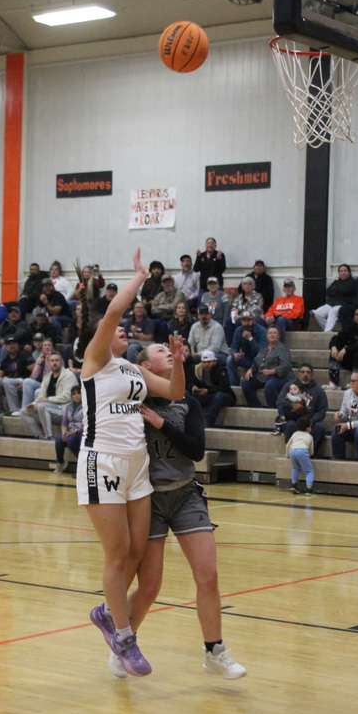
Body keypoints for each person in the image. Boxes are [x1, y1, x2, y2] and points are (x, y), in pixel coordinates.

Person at [77, 247, 185, 678]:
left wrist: (178, 363)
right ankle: (122, 636)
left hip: (136, 466)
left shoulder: (133, 371)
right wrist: (139, 277)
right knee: (118, 555)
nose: (123, 329)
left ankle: (108, 612)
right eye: (118, 328)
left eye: (126, 329)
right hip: (101, 461)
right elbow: (112, 312)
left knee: (137, 553)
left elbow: (175, 393)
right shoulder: (97, 360)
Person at [114, 342, 246, 681]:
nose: (168, 352)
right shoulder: (131, 401)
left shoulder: (186, 402)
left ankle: (214, 650)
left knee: (209, 576)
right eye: (160, 350)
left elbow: (197, 451)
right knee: (150, 586)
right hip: (149, 500)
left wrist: (161, 424)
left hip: (186, 494)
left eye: (169, 349)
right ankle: (123, 643)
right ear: (144, 366)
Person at [272, 363, 328, 451]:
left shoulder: (319, 391)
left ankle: (310, 454)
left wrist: (311, 421)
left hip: (310, 420)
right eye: (302, 372)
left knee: (320, 427)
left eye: (308, 372)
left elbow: (322, 410)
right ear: (298, 374)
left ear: (312, 375)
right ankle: (292, 451)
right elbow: (279, 401)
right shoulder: (289, 386)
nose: (305, 374)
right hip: (293, 419)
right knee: (289, 425)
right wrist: (292, 405)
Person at [22, 350, 78, 437]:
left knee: (42, 407)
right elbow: (41, 396)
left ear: (61, 362)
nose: (54, 363)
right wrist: (33, 404)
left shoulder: (69, 376)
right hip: (49, 408)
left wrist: (48, 400)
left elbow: (67, 396)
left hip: (65, 410)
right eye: (52, 361)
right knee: (23, 411)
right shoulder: (47, 377)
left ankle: (49, 436)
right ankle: (40, 435)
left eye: (57, 360)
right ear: (48, 363)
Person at [240, 324, 293, 408]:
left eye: (275, 333)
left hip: (278, 377)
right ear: (267, 336)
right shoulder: (263, 349)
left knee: (270, 385)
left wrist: (272, 371)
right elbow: (257, 363)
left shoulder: (283, 349)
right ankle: (256, 407)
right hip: (262, 376)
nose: (272, 335)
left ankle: (274, 408)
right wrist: (251, 369)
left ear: (279, 336)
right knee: (245, 382)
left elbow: (286, 365)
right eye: (270, 333)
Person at [188, 348, 235, 427]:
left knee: (220, 396)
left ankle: (208, 421)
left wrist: (208, 391)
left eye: (209, 362)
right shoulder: (198, 370)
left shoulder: (221, 370)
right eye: (204, 362)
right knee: (187, 395)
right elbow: (190, 382)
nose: (206, 364)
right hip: (207, 396)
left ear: (214, 362)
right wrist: (193, 387)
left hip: (221, 396)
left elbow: (225, 387)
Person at [0, 336, 34, 412]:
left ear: (18, 345)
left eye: (14, 344)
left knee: (6, 381)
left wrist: (27, 382)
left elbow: (35, 371)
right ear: (6, 347)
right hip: (10, 381)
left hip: (23, 380)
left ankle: (15, 409)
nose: (12, 346)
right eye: (9, 345)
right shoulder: (5, 360)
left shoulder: (25, 356)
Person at [226, 311, 268, 386]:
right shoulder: (238, 331)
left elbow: (262, 351)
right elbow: (234, 347)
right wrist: (234, 354)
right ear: (241, 322)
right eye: (244, 321)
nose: (247, 323)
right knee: (230, 359)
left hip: (260, 360)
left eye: (249, 320)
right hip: (247, 357)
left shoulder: (262, 331)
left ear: (253, 321)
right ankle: (233, 384)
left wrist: (250, 339)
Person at [311, 265, 356, 331]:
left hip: (343, 304)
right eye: (341, 271)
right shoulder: (336, 282)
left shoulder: (353, 283)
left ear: (349, 272)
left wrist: (337, 291)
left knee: (333, 312)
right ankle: (328, 331)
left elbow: (347, 291)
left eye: (345, 271)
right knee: (318, 313)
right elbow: (328, 292)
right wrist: (340, 291)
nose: (343, 273)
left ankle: (327, 332)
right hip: (331, 303)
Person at [19, 338, 56, 412]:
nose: (47, 347)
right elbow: (34, 376)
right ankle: (24, 409)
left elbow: (50, 376)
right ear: (42, 348)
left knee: (38, 391)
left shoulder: (56, 358)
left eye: (49, 345)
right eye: (45, 345)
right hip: (41, 383)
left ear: (52, 347)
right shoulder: (41, 358)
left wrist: (47, 363)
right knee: (27, 381)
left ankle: (35, 411)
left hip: (52, 385)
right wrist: (38, 363)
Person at [54, 385, 83, 473]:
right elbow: (64, 422)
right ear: (71, 396)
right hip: (69, 432)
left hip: (80, 432)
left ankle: (82, 464)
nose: (76, 396)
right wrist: (64, 433)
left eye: (79, 393)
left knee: (71, 441)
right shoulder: (68, 406)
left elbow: (86, 424)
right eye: (74, 394)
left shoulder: (86, 406)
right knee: (59, 440)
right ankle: (60, 463)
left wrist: (73, 433)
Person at [227, 276, 264, 342]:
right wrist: (234, 312)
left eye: (249, 284)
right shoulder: (239, 297)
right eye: (245, 284)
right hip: (239, 316)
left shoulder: (258, 297)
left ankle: (238, 341)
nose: (247, 286)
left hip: (254, 318)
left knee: (239, 320)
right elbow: (233, 308)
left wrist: (240, 316)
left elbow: (254, 311)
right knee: (229, 320)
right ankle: (229, 342)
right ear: (242, 286)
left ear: (253, 286)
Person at [286, 415, 315, 495]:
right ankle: (309, 489)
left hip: (292, 451)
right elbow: (311, 449)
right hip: (302, 451)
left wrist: (287, 455)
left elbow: (288, 445)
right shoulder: (309, 436)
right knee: (309, 471)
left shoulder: (295, 434)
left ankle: (293, 485)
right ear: (307, 428)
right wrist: (309, 455)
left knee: (296, 468)